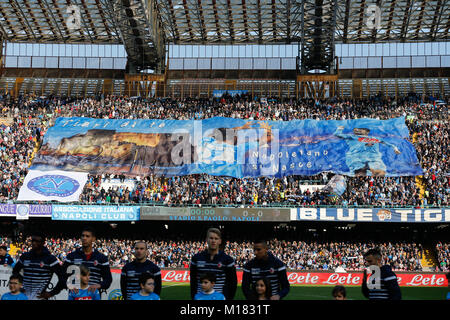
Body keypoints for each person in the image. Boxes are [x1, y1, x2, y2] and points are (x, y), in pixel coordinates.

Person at [60, 227, 112, 298]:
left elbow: (108, 279)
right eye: (83, 236)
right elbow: (62, 276)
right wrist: (68, 284)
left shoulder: (102, 258)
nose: (84, 238)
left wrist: (99, 285)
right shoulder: (71, 256)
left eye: (87, 236)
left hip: (93, 296)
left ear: (93, 239)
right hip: (75, 296)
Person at [12, 232, 65, 300]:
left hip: (40, 297)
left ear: (43, 243)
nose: (34, 243)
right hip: (23, 297)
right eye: (33, 240)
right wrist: (19, 286)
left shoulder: (50, 259)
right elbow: (15, 271)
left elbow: (62, 277)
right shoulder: (25, 256)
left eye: (37, 241)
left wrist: (51, 293)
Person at [190, 228, 237, 300]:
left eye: (216, 238)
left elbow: (232, 283)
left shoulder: (228, 260)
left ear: (220, 241)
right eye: (211, 238)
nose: (213, 241)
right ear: (207, 240)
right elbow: (193, 281)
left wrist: (228, 298)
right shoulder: (196, 258)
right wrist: (193, 296)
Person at [334, 125, 401, 176]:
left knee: (380, 173)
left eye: (361, 129)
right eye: (357, 129)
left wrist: (395, 148)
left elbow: (388, 144)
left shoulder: (375, 138)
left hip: (374, 159)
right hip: (357, 159)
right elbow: (337, 135)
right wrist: (340, 128)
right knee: (360, 173)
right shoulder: (352, 137)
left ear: (367, 131)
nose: (358, 130)